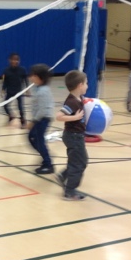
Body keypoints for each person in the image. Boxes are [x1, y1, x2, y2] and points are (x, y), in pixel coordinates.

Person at [54, 70, 88, 201]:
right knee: (79, 164)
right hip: (73, 136)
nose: (87, 86)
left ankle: (63, 176)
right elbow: (59, 116)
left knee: (80, 161)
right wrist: (75, 117)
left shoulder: (79, 98)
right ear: (80, 85)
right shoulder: (71, 102)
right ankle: (70, 191)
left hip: (76, 136)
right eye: (86, 83)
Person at [28, 64, 55, 174]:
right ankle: (45, 155)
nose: (31, 77)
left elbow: (42, 110)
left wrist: (33, 121)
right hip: (39, 119)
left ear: (41, 78)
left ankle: (48, 164)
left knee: (39, 140)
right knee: (32, 137)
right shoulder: (38, 88)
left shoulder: (43, 91)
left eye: (34, 75)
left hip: (42, 119)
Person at [2, 52, 28, 128]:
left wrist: (27, 89)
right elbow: (5, 82)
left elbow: (25, 80)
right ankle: (11, 116)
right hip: (10, 91)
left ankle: (23, 121)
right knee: (5, 105)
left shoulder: (22, 70)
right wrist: (3, 89)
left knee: (20, 107)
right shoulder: (6, 70)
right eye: (13, 59)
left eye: (17, 60)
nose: (15, 61)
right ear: (9, 60)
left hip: (19, 92)